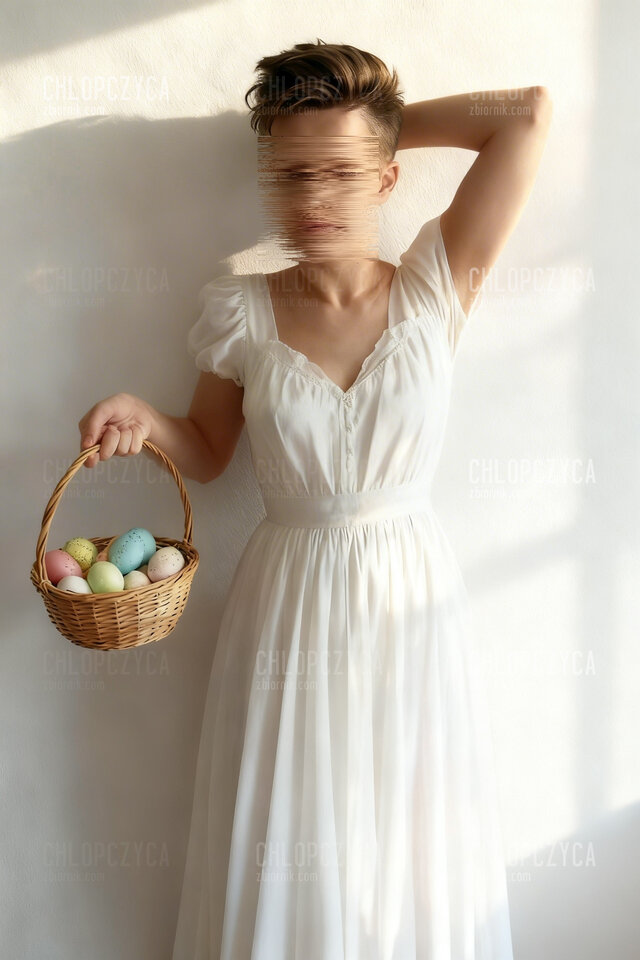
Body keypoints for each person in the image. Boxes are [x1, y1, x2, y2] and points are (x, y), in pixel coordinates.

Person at [78, 39, 552, 960]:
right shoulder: (240, 308)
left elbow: (527, 116)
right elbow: (209, 450)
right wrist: (147, 419)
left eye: (342, 173)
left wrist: (375, 126)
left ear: (388, 177)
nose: (314, 199)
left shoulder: (436, 281)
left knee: (409, 832)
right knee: (294, 833)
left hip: (411, 597)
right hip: (287, 600)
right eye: (293, 175)